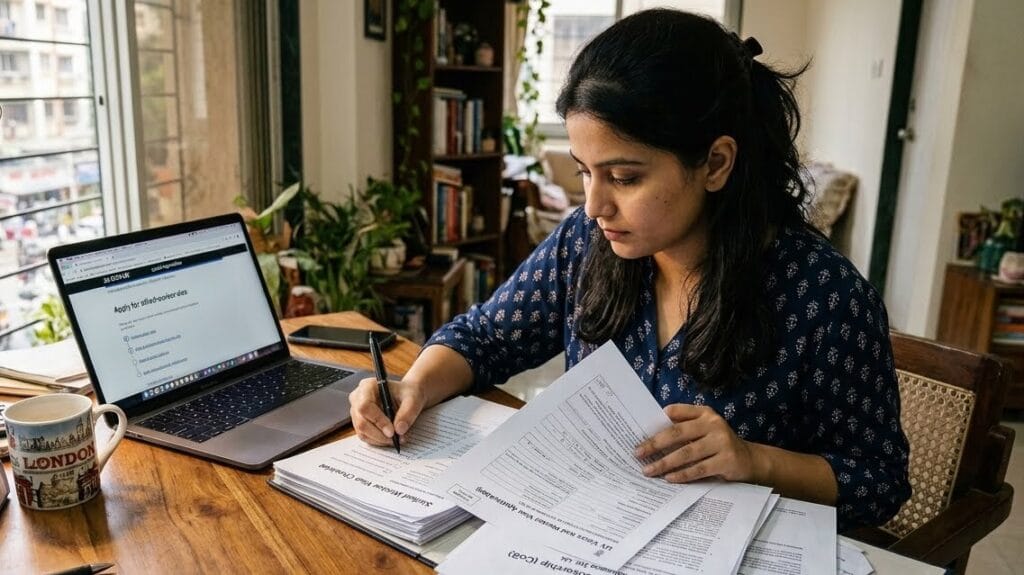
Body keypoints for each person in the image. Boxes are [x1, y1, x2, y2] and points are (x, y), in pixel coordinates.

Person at [350, 9, 910, 531]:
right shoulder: (586, 242)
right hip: (592, 529)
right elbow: (484, 339)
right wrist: (414, 386)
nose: (594, 205)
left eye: (623, 177)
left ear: (716, 162)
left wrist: (752, 459)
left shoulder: (824, 296)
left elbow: (880, 483)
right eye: (584, 173)